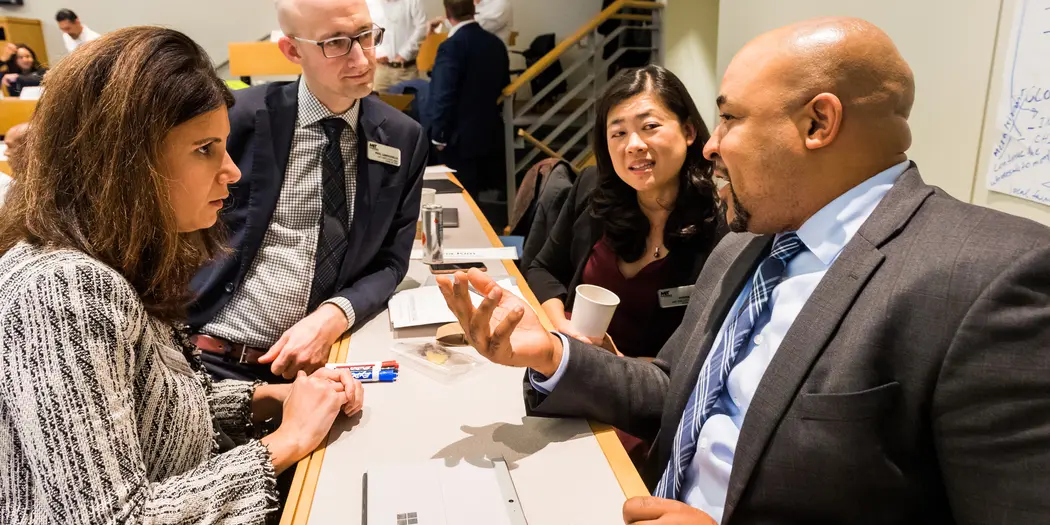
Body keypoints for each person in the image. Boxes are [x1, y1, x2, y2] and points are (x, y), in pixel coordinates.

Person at [438, 17, 1050, 525]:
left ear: (818, 123)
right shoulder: (746, 246)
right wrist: (551, 354)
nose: (712, 144)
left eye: (730, 119)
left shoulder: (989, 276)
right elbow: (669, 389)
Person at [0, 26, 365, 523]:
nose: (232, 171)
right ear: (124, 160)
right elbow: (114, 518)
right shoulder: (64, 287)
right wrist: (286, 441)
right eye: (204, 149)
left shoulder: (112, 259)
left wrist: (270, 399)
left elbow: (159, 405)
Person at [189, 0, 428, 383]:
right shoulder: (236, 120)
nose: (362, 60)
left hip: (321, 365)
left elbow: (391, 261)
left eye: (366, 36)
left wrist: (335, 314)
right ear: (292, 50)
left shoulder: (402, 138)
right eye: (335, 43)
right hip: (211, 354)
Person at [527, 65, 723, 359]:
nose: (633, 145)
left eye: (650, 127)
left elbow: (707, 350)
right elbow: (542, 268)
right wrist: (562, 326)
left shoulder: (720, 226)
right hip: (568, 364)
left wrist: (619, 365)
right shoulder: (592, 191)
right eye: (618, 132)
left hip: (651, 391)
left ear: (688, 131)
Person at [427, 0, 509, 201]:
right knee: (479, 202)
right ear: (473, 10)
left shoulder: (451, 46)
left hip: (457, 140)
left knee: (459, 201)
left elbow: (443, 95)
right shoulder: (496, 44)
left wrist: (438, 135)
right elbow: (503, 85)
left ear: (447, 13)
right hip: (489, 133)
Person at [367, 0, 428, 92]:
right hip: (380, 70)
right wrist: (377, 52)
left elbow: (423, 28)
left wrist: (404, 53)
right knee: (377, 103)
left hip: (406, 70)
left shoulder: (413, 2)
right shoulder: (369, 3)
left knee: (407, 104)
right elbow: (367, 30)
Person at [428, 0, 513, 44]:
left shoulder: (500, 4)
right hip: (467, 62)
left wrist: (443, 20)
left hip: (489, 66)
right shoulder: (473, 2)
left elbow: (470, 27)